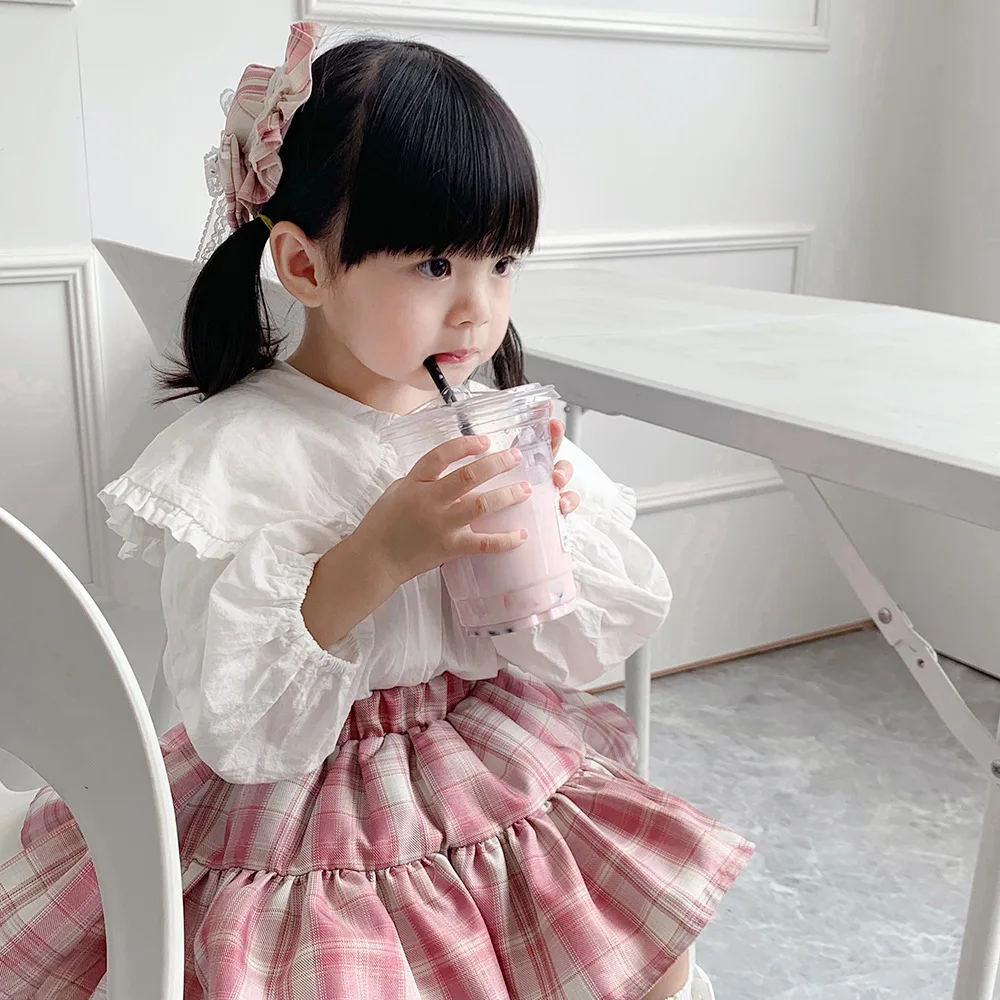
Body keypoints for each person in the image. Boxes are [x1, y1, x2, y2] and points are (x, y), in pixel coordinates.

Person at [0, 23, 752, 1000]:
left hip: (482, 755)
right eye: (436, 265)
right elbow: (234, 714)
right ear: (306, 266)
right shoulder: (243, 454)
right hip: (299, 803)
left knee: (646, 943)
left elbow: (572, 648)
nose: (478, 307)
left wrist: (555, 533)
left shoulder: (486, 421)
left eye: (501, 263)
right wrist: (380, 552)